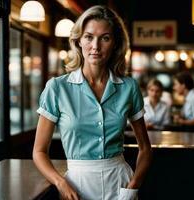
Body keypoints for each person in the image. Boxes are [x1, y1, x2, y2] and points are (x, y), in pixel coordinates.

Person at [33, 5, 152, 200]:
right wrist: (60, 183)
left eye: (105, 38)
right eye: (89, 37)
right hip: (76, 186)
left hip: (120, 183)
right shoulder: (57, 88)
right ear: (79, 40)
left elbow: (145, 149)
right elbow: (38, 151)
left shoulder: (129, 87)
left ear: (114, 43)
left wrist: (132, 187)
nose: (95, 46)